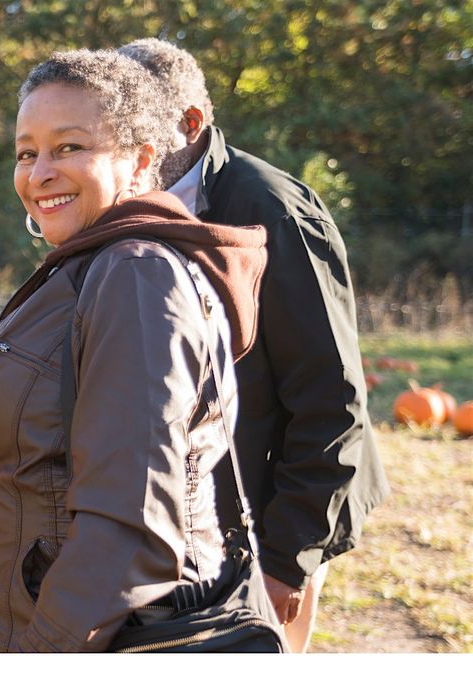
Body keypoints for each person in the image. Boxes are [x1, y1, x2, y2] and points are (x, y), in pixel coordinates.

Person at [0, 49, 270, 652]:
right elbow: (45, 460)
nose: (38, 173)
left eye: (69, 148)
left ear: (141, 159)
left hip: (98, 636)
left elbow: (131, 528)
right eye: (26, 153)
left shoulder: (138, 279)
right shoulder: (87, 268)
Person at [118, 37, 390, 652]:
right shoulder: (132, 205)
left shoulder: (269, 210)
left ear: (191, 123)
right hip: (198, 510)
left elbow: (330, 394)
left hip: (280, 507)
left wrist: (288, 558)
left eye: (137, 126)